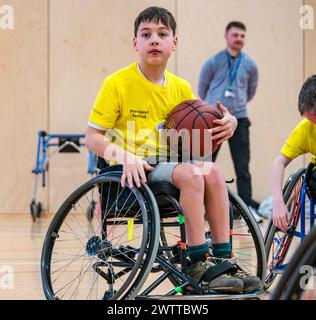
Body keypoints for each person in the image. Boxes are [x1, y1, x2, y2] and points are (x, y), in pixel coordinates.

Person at [85, 6, 261, 294]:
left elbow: (206, 120)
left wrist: (228, 122)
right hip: (130, 173)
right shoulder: (116, 83)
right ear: (135, 44)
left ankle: (222, 260)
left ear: (174, 44)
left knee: (214, 172)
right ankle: (195, 262)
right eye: (146, 34)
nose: (154, 39)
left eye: (162, 34)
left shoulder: (181, 88)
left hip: (170, 167)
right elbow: (92, 137)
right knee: (193, 174)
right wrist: (124, 157)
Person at [198, 21, 262, 223]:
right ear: (226, 36)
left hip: (239, 119)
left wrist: (235, 108)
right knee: (205, 164)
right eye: (235, 35)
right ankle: (201, 208)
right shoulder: (213, 62)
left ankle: (247, 210)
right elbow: (202, 89)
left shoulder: (251, 65)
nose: (239, 39)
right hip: (213, 120)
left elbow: (250, 91)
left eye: (242, 36)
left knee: (243, 167)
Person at [272, 75, 316, 231]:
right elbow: (279, 162)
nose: (313, 123)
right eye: (312, 121)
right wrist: (278, 202)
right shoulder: (305, 128)